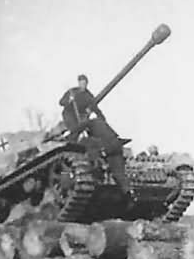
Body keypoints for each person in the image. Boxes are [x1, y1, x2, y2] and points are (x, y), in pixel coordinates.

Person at [58, 74, 136, 207]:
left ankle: (94, 173)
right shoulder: (72, 92)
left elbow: (95, 110)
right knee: (118, 172)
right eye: (81, 82)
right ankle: (128, 193)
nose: (83, 84)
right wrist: (69, 101)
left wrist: (71, 136)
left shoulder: (89, 97)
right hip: (71, 117)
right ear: (78, 82)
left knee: (88, 146)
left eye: (84, 82)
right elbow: (61, 103)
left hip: (89, 130)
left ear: (86, 83)